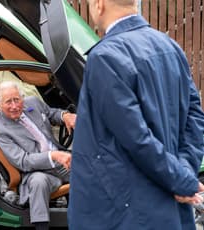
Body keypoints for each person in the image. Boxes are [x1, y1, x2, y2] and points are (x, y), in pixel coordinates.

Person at [68, 0, 204, 229]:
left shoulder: (104, 57)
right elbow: (195, 118)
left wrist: (181, 180)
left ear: (99, 4)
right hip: (166, 203)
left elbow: (135, 137)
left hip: (125, 210)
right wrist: (184, 171)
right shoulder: (170, 47)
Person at [0, 81, 76, 230]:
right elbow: (23, 161)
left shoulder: (33, 103)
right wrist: (53, 155)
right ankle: (41, 227)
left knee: (92, 169)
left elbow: (51, 113)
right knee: (38, 182)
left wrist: (65, 116)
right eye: (8, 102)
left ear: (22, 98)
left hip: (62, 161)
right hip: (37, 171)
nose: (15, 106)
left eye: (16, 99)